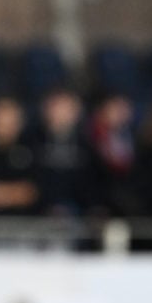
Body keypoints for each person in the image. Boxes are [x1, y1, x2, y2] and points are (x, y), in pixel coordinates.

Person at [27, 87, 92, 217]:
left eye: (67, 108)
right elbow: (30, 183)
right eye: (57, 107)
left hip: (78, 215)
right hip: (37, 214)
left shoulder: (87, 145)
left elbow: (90, 184)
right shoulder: (30, 141)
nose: (61, 113)